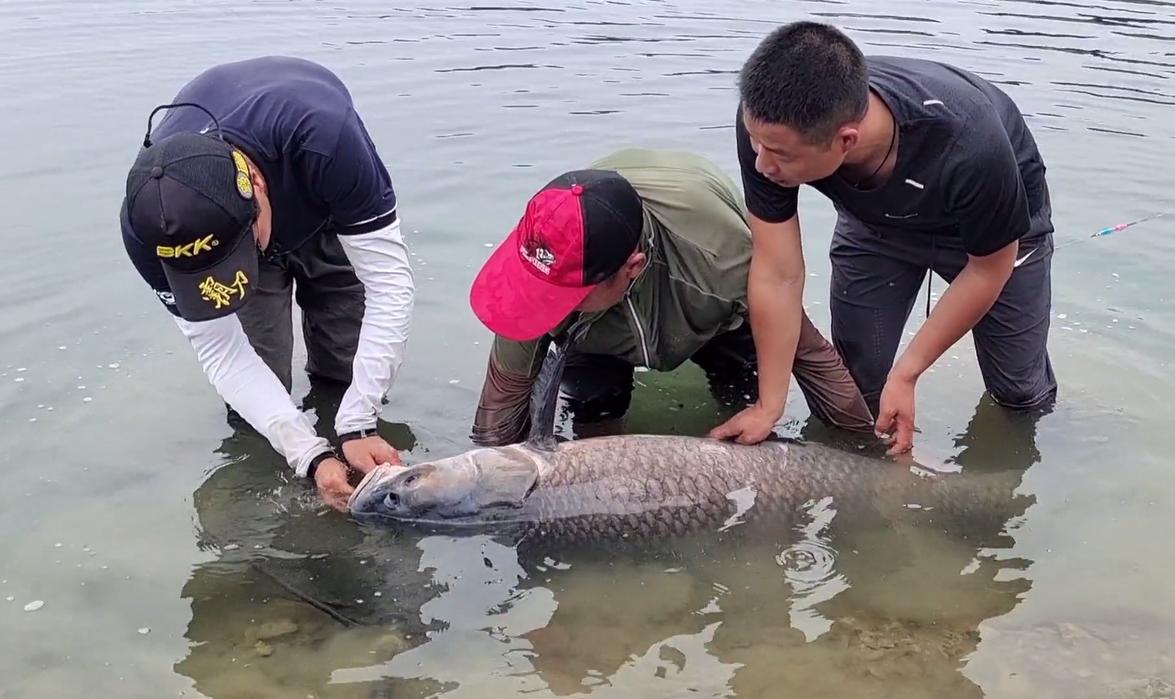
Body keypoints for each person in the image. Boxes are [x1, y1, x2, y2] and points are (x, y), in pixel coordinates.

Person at [712, 21, 1057, 455]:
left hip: (997, 240)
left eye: (779, 155)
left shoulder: (970, 145)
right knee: (858, 386)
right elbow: (777, 273)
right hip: (874, 225)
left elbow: (989, 269)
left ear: (846, 141)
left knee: (1018, 394)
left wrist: (909, 373)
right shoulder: (769, 130)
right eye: (756, 144)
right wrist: (769, 404)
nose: (762, 165)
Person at [119, 56, 416, 510]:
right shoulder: (148, 225)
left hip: (318, 198)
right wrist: (309, 455)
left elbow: (389, 285)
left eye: (242, 250)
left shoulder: (327, 139)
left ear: (255, 182)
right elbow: (221, 350)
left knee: (347, 361)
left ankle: (351, 422)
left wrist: (358, 420)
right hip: (237, 217)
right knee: (256, 396)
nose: (252, 262)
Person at [467, 147, 872, 446]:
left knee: (740, 399)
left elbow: (810, 357)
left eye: (561, 296)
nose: (544, 306)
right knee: (591, 413)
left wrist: (868, 450)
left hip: (711, 308)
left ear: (633, 267)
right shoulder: (542, 252)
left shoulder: (720, 259)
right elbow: (503, 404)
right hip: (600, 311)